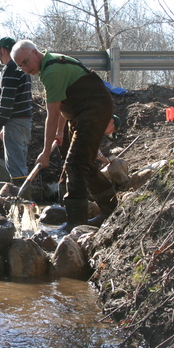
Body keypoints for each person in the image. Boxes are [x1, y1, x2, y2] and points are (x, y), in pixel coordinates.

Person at [11, 39, 118, 231]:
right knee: (83, 162)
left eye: (26, 62)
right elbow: (63, 104)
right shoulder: (49, 66)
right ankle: (110, 209)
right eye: (20, 66)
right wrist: (61, 131)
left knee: (75, 164)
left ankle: (76, 223)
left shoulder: (52, 71)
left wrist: (45, 153)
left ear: (36, 53)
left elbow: (51, 117)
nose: (25, 68)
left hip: (94, 110)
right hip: (79, 113)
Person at [0, 37, 33, 194]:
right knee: (20, 165)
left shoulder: (10, 69)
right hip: (25, 122)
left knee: (15, 167)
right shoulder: (22, 68)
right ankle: (26, 203)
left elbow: (6, 102)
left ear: (2, 50)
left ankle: (23, 206)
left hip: (14, 123)